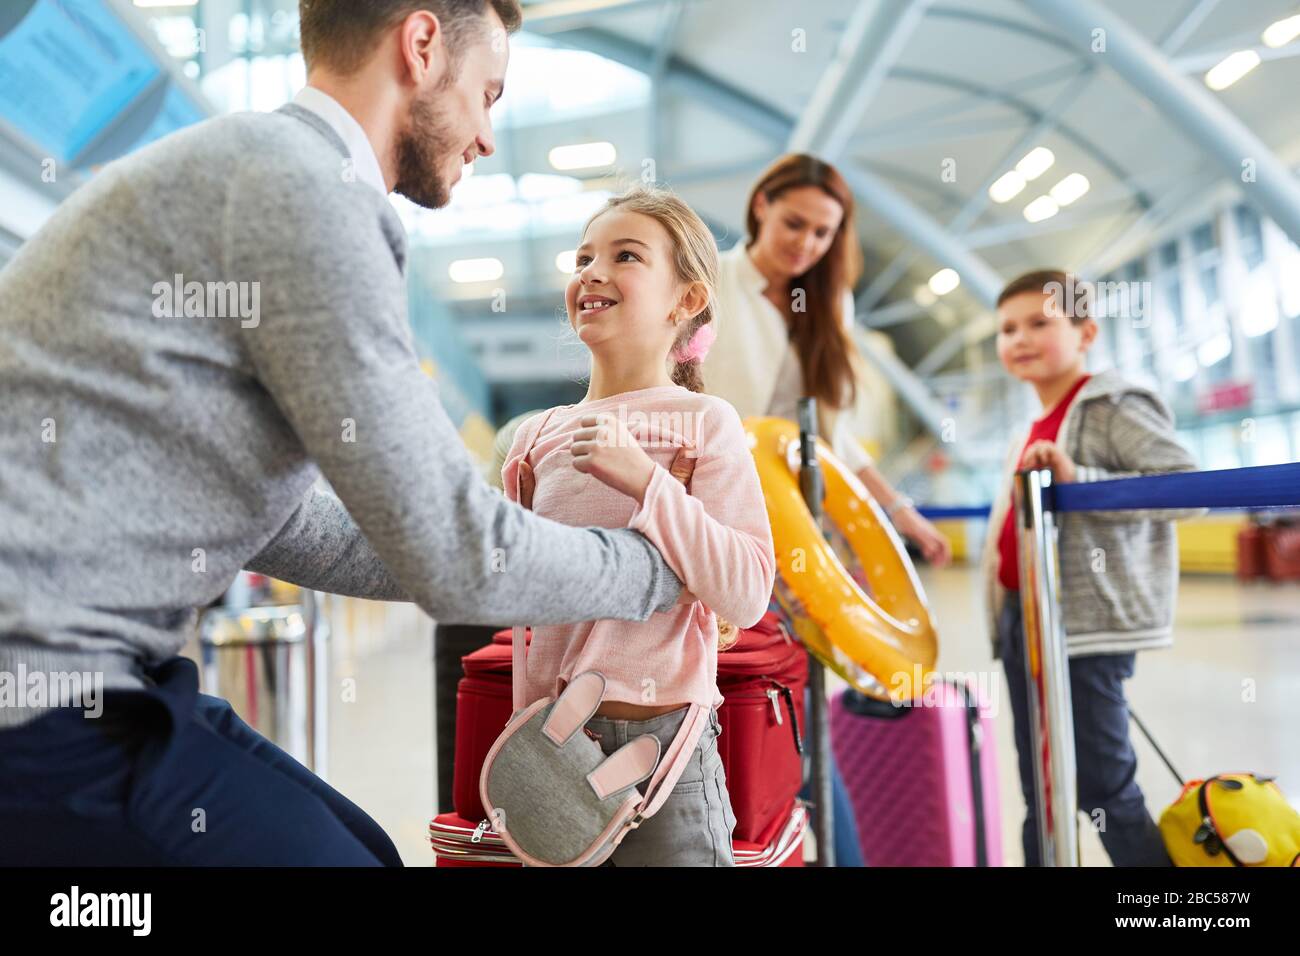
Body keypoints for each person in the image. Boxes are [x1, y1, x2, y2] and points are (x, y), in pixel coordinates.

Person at [0, 0, 688, 866]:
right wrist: (658, 567)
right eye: (489, 94)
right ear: (423, 43)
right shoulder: (305, 191)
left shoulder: (249, 168)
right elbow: (460, 558)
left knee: (367, 845)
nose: (485, 136)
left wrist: (533, 544)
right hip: (39, 703)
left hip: (95, 677)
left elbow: (288, 524)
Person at [500, 186, 776, 865]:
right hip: (553, 748)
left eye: (625, 256)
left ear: (685, 301)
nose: (591, 271)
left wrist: (647, 482)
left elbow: (746, 590)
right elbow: (520, 608)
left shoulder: (707, 424)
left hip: (667, 755)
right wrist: (525, 737)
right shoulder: (534, 439)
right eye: (583, 256)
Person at [981, 269, 1197, 866]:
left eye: (1040, 323)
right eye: (1007, 328)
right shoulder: (1028, 424)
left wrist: (1083, 480)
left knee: (1104, 784)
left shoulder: (1111, 405)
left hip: (1084, 625)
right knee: (1042, 787)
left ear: (1086, 332)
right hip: (1025, 620)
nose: (1019, 338)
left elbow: (1185, 486)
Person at [702, 153, 952, 565]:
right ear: (762, 205)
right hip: (714, 501)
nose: (806, 244)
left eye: (823, 232)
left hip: (796, 510)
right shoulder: (712, 281)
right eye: (794, 224)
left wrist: (898, 510)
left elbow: (830, 435)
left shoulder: (832, 303)